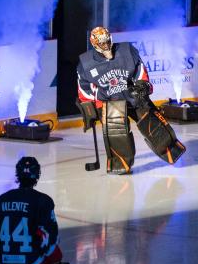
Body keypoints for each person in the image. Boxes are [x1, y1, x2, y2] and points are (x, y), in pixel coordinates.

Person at [76, 26, 186, 174]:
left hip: (132, 95)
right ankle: (120, 163)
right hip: (109, 102)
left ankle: (169, 148)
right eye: (102, 43)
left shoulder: (127, 50)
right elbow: (84, 89)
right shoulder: (86, 63)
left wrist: (142, 85)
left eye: (107, 41)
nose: (106, 45)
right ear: (95, 44)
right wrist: (90, 110)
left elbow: (140, 71)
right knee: (116, 133)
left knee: (153, 124)